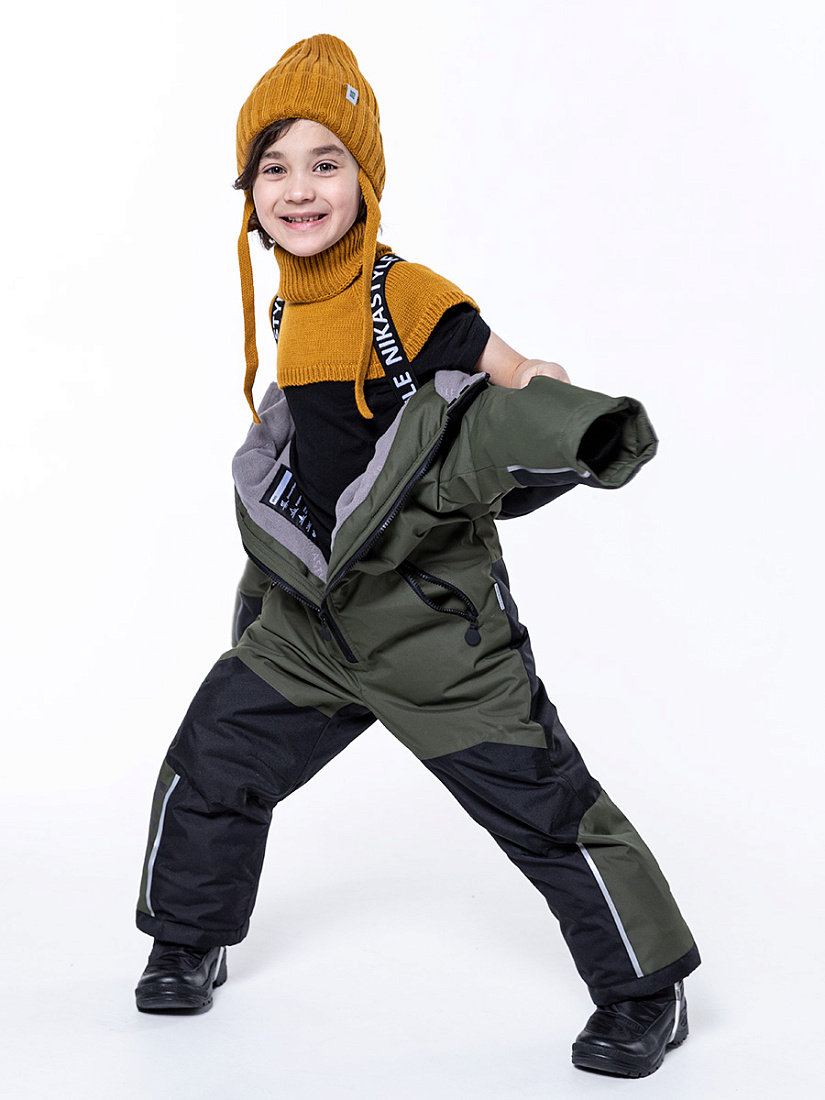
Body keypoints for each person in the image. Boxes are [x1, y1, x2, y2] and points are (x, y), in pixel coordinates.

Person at [134, 34, 699, 1078]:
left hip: (433, 628)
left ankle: (644, 991)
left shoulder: (406, 293)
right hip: (313, 626)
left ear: (365, 177)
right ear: (248, 193)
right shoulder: (290, 298)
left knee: (546, 807)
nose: (299, 189)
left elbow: (506, 376)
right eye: (273, 167)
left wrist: (561, 406)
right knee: (212, 762)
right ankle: (188, 939)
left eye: (326, 162)